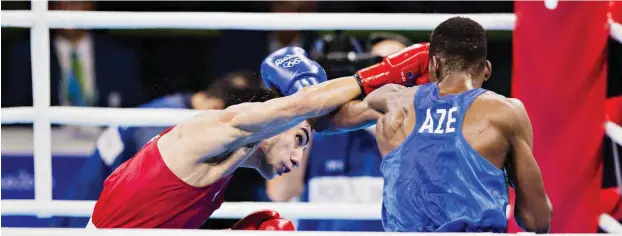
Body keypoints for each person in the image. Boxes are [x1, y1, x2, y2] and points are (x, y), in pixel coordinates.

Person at [267, 17, 552, 232]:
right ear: (486, 69)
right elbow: (537, 219)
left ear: (431, 66)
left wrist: (370, 76)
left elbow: (323, 120)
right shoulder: (507, 112)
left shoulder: (393, 102)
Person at [88, 45, 419, 228]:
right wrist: (383, 72)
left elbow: (328, 119)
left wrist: (415, 93)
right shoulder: (211, 129)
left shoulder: (221, 159)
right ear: (277, 120)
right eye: (300, 141)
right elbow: (300, 107)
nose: (297, 157)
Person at [55, 71, 263, 227]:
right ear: (218, 108)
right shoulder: (163, 122)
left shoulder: (175, 109)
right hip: (89, 216)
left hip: (101, 210)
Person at [266, 33, 411, 232]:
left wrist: (375, 114)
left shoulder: (423, 131)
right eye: (378, 65)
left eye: (398, 65)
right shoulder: (315, 129)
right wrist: (307, 99)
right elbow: (281, 193)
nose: (386, 74)